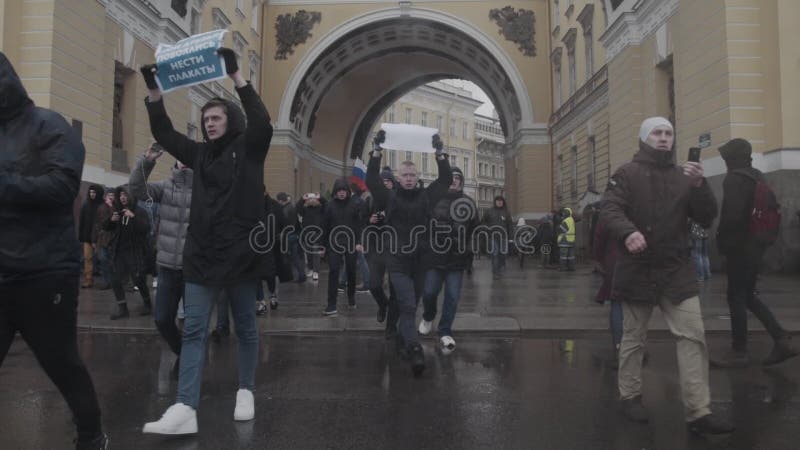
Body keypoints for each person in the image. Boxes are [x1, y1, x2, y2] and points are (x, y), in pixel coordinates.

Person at [140, 47, 272, 434]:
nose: (209, 123)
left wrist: (237, 77)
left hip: (242, 253)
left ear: (229, 120)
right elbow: (163, 132)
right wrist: (154, 92)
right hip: (201, 254)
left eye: (215, 118)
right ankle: (185, 408)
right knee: (195, 328)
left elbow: (262, 121)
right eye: (205, 119)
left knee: (245, 326)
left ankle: (245, 390)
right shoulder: (198, 155)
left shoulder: (249, 148)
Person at [0, 51, 107, 449]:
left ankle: (91, 436)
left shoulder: (49, 125)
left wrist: (3, 183)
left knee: (62, 364)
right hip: (2, 268)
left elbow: (62, 188)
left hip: (44, 273)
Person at [601, 116, 733, 434]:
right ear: (645, 138)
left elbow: (705, 215)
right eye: (657, 133)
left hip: (676, 270)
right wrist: (627, 232)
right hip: (638, 269)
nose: (663, 138)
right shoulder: (626, 173)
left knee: (693, 336)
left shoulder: (683, 176)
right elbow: (609, 209)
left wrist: (700, 186)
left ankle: (699, 411)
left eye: (668, 133)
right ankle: (629, 396)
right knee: (633, 339)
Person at [367, 131, 452, 376]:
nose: (408, 178)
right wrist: (376, 151)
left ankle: (404, 343)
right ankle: (415, 349)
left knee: (411, 305)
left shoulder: (427, 197)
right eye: (404, 175)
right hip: (398, 262)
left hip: (421, 262)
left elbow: (445, 179)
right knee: (406, 304)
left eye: (412, 175)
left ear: (417, 177)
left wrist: (439, 153)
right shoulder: (389, 197)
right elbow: (372, 179)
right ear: (398, 177)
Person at [712, 138, 797, 367]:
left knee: (736, 297)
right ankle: (781, 339)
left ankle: (739, 352)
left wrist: (722, 242)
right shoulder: (756, 175)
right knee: (747, 296)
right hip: (756, 247)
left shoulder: (735, 179)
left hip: (739, 248)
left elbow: (732, 217)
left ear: (732, 158)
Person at [129, 142, 193, 378]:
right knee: (162, 319)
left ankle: (188, 365)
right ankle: (183, 352)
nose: (183, 160)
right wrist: (147, 161)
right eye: (180, 156)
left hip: (193, 269)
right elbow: (135, 190)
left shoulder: (205, 190)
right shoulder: (165, 187)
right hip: (166, 266)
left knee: (195, 323)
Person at [418, 167, 478, 353]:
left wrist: (468, 251)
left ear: (461, 181)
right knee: (429, 293)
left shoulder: (468, 203)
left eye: (457, 178)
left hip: (456, 259)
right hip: (435, 257)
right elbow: (424, 225)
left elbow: (474, 231)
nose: (454, 181)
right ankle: (428, 316)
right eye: (451, 178)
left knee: (452, 296)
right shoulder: (433, 200)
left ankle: (445, 330)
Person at [103, 186, 153, 319]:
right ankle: (123, 309)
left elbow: (146, 228)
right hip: (119, 251)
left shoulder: (140, 211)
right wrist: (111, 221)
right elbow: (106, 227)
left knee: (138, 280)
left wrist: (134, 217)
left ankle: (148, 304)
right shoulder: (118, 211)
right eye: (120, 195)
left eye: (125, 195)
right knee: (115, 279)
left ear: (130, 196)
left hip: (135, 252)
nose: (123, 197)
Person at [321, 179, 365, 315]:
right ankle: (331, 304)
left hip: (351, 243)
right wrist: (323, 246)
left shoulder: (354, 205)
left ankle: (351, 297)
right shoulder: (329, 206)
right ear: (335, 192)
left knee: (351, 271)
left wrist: (359, 242)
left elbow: (359, 225)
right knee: (334, 271)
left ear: (347, 192)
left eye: (344, 190)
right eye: (339, 190)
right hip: (334, 243)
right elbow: (325, 227)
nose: (341, 193)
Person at [366, 166, 399, 334]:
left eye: (388, 181)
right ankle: (382, 305)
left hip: (394, 250)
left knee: (395, 290)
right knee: (373, 284)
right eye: (382, 181)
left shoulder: (399, 200)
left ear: (393, 184)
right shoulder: (371, 200)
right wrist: (369, 220)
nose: (385, 184)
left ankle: (391, 327)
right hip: (376, 249)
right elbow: (360, 223)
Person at [276, 192, 306, 283]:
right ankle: (301, 275)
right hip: (295, 235)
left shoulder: (285, 210)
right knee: (295, 257)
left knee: (286, 256)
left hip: (288, 235)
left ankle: (287, 276)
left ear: (280, 200)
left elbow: (285, 224)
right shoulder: (291, 207)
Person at [78, 184, 105, 288]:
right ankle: (88, 280)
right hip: (87, 237)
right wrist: (81, 236)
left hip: (99, 238)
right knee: (87, 258)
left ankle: (108, 279)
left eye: (94, 192)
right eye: (91, 192)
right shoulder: (86, 204)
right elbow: (82, 221)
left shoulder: (102, 205)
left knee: (102, 258)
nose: (92, 194)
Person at [296, 192, 326, 281]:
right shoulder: (304, 209)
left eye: (314, 199)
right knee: (309, 253)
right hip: (306, 234)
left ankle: (316, 271)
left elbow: (327, 204)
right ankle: (311, 269)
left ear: (317, 201)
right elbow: (297, 208)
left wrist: (321, 198)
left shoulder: (321, 209)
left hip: (317, 234)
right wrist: (302, 199)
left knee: (315, 253)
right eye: (310, 199)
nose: (312, 201)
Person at [482, 196, 512, 280]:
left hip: (503, 236)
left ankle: (499, 267)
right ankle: (496, 272)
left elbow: (510, 225)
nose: (499, 202)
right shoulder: (489, 211)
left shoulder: (506, 212)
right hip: (493, 236)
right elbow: (483, 222)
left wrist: (511, 237)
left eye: (501, 201)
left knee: (502, 254)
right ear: (495, 202)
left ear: (503, 202)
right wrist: (487, 229)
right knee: (495, 254)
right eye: (498, 201)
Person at [93, 190, 116, 290]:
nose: (111, 197)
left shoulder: (115, 207)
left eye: (113, 195)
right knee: (103, 260)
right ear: (105, 196)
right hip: (102, 239)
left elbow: (114, 218)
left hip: (112, 239)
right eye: (109, 195)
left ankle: (112, 282)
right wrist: (94, 239)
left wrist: (111, 206)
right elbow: (96, 223)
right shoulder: (101, 207)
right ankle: (107, 281)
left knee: (111, 262)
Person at [558, 207, 576, 271]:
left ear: (567, 213)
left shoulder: (566, 220)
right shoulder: (572, 219)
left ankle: (562, 268)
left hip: (564, 240)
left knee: (563, 256)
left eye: (564, 212)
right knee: (571, 256)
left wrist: (559, 225)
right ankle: (571, 267)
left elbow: (562, 230)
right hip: (571, 240)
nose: (563, 213)